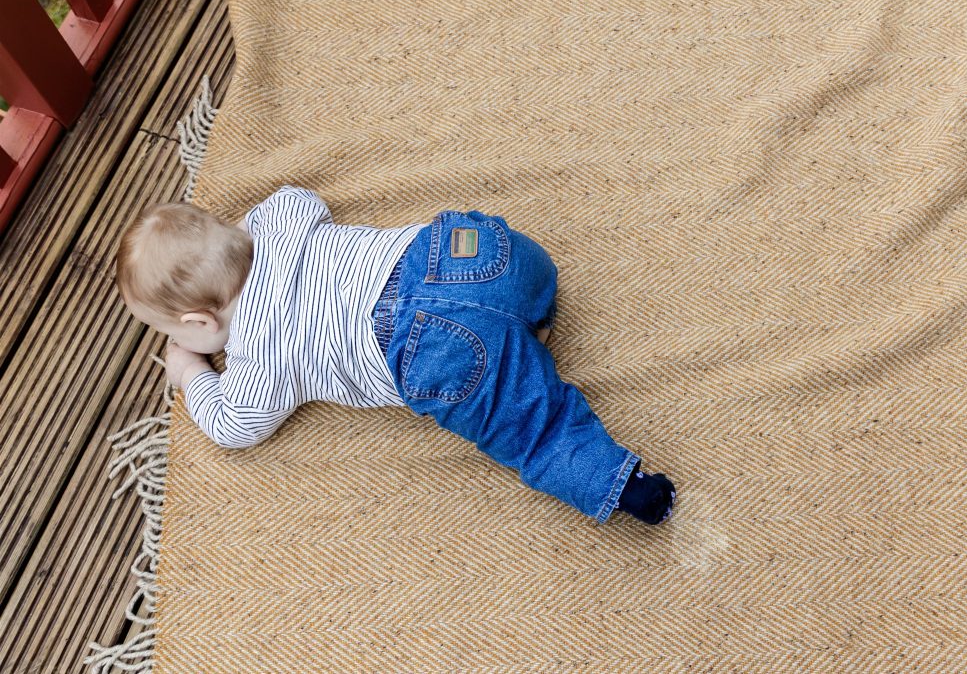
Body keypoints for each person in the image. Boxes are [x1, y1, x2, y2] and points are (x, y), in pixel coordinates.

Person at [115, 185, 676, 525]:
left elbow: (232, 425)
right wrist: (234, 238)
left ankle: (627, 488)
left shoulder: (259, 363)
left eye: (180, 333)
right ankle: (532, 313)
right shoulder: (273, 224)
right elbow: (298, 195)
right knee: (516, 275)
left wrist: (190, 369)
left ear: (199, 323)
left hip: (437, 347)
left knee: (534, 426)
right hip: (471, 256)